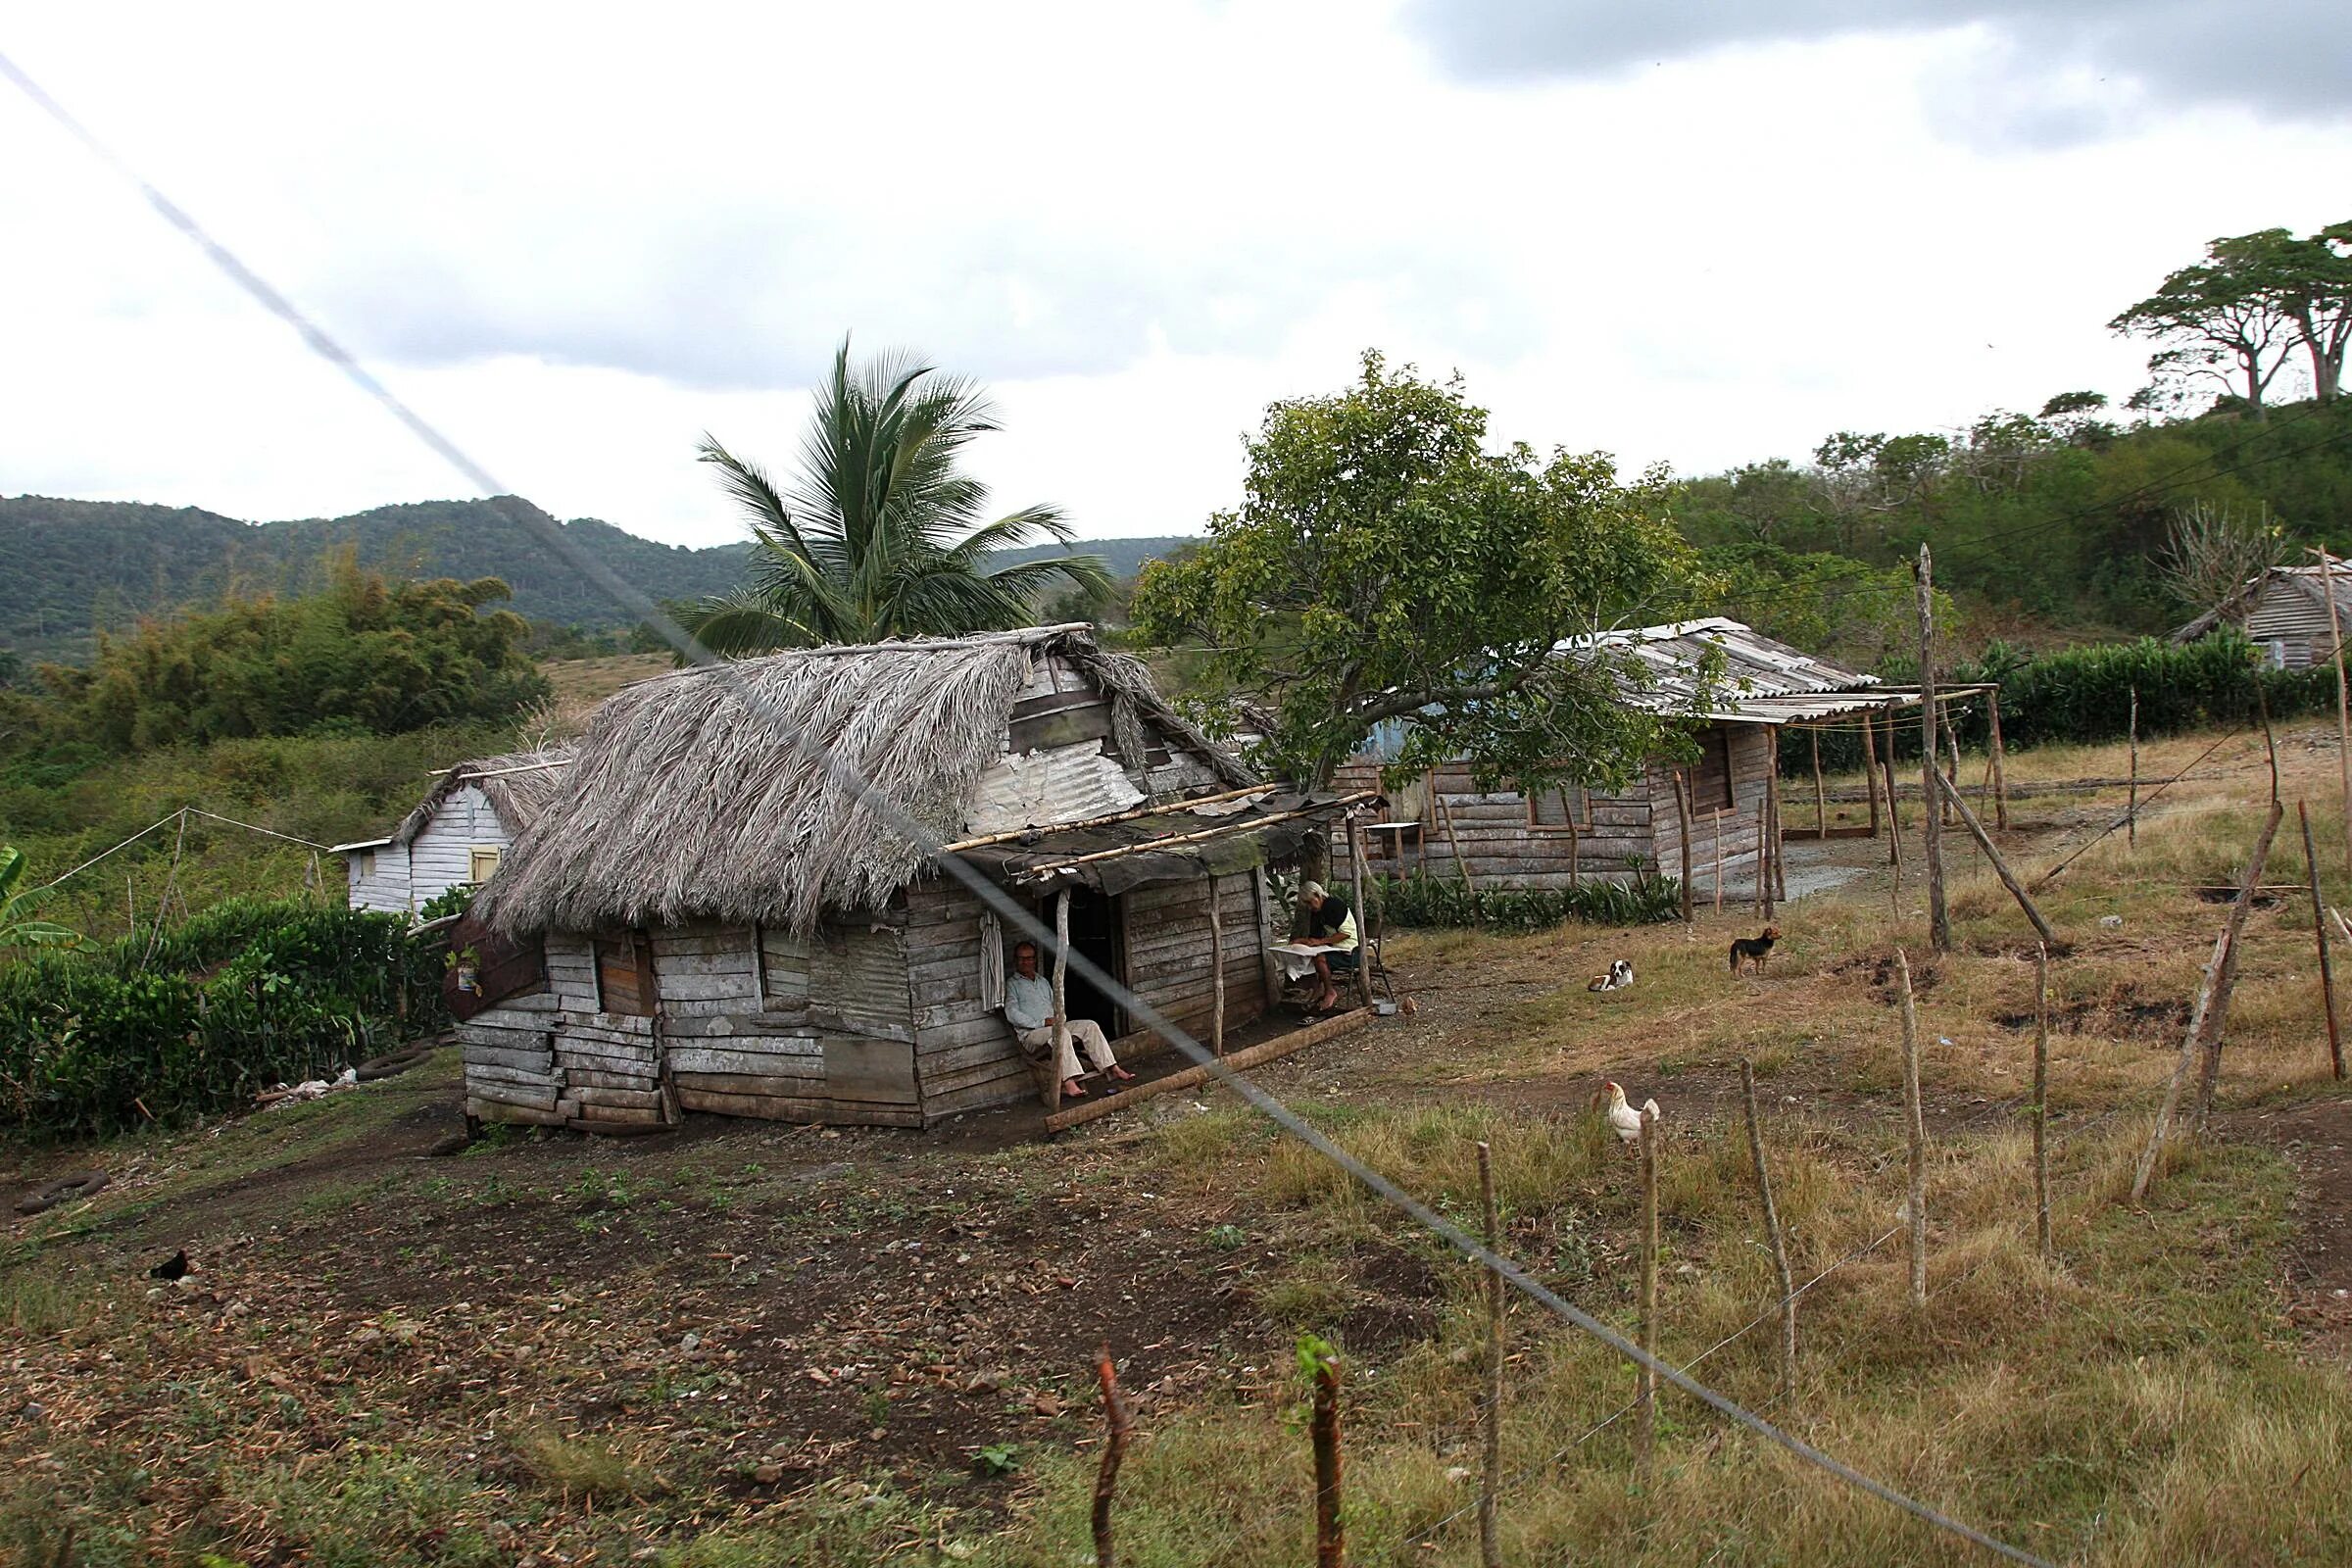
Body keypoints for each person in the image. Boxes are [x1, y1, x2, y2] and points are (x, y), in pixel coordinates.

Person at [1004, 940, 1135, 1100]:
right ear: (1015, 960)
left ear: (1034, 960)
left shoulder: (1043, 982)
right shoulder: (1012, 984)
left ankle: (1111, 1067)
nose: (1025, 962)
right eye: (1021, 958)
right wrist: (1042, 1023)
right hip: (1032, 1035)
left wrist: (1060, 1017)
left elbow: (1057, 1005)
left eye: (1029, 958)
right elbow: (1012, 1013)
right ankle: (1069, 1082)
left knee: (1089, 1026)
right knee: (1061, 1033)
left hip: (1055, 1027)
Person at [1297, 881, 1359, 1012]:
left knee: (1320, 960)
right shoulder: (1317, 911)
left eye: (1309, 902)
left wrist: (1321, 942)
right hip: (1336, 948)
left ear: (1317, 895)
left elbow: (1345, 934)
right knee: (1308, 958)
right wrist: (1302, 941)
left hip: (1352, 951)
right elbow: (1315, 937)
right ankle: (1317, 989)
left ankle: (1330, 991)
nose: (1309, 906)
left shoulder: (1334, 906)